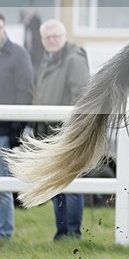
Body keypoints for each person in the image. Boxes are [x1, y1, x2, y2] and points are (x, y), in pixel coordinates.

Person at [32, 19, 90, 241]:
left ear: (64, 36)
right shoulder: (47, 62)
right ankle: (61, 233)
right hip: (49, 132)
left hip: (67, 132)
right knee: (57, 186)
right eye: (48, 37)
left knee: (71, 185)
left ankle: (72, 234)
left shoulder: (73, 59)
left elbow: (81, 95)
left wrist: (71, 129)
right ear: (42, 41)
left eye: (56, 36)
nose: (52, 40)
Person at [0, 12, 34, 240]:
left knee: (1, 187)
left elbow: (25, 92)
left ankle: (4, 234)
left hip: (2, 132)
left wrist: (15, 129)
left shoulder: (18, 55)